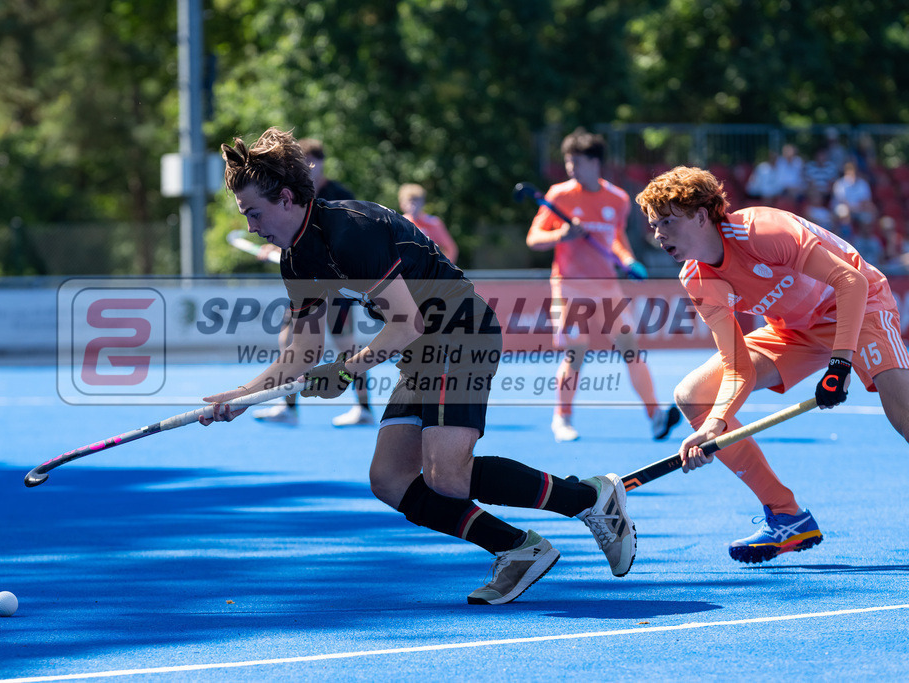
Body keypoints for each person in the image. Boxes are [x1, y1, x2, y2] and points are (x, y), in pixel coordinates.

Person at [204, 127, 637, 604]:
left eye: (254, 212)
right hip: (423, 350)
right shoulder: (296, 259)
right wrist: (241, 396)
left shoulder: (351, 231)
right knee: (389, 479)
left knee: (446, 474)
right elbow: (302, 351)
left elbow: (406, 322)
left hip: (459, 332)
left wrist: (347, 370)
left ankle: (590, 497)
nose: (250, 226)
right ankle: (517, 548)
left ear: (285, 198)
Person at [636, 166, 909, 564]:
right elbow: (737, 367)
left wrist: (840, 364)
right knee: (693, 397)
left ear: (700, 215)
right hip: (795, 331)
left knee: (903, 415)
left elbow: (851, 282)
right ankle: (787, 516)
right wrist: (715, 423)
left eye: (667, 222)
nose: (659, 234)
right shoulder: (696, 279)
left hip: (859, 306)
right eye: (653, 224)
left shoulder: (763, 231)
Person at [525, 127, 681, 443]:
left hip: (607, 287)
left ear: (596, 163)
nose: (571, 168)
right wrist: (562, 235)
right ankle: (562, 419)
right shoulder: (558, 196)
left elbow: (616, 240)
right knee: (576, 349)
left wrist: (627, 260)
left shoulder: (618, 199)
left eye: (577, 162)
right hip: (568, 286)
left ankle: (655, 416)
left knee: (630, 350)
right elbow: (534, 239)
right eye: (569, 162)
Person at [251, 137, 374, 427]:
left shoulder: (339, 194)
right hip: (307, 282)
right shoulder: (292, 195)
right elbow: (294, 233)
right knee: (288, 339)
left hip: (338, 283)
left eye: (316, 160)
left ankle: (365, 408)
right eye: (307, 161)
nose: (312, 166)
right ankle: (289, 408)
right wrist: (275, 244)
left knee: (348, 346)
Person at [398, 183, 459, 263]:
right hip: (406, 273)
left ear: (423, 203)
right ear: (401, 204)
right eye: (409, 201)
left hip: (428, 273)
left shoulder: (434, 223)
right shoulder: (398, 224)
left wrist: (444, 270)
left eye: (416, 201)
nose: (413, 206)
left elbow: (451, 249)